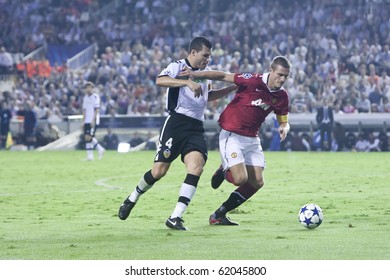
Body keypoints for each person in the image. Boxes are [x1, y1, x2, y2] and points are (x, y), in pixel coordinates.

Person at [118, 36, 237, 230]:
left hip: (196, 126)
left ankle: (176, 217)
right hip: (176, 123)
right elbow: (160, 80)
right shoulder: (177, 66)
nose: (208, 59)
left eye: (209, 56)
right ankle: (132, 198)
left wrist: (230, 89)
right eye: (205, 55)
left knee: (196, 167)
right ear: (193, 52)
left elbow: (208, 96)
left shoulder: (205, 73)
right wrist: (186, 82)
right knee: (159, 172)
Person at [179, 55, 291, 225]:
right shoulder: (252, 81)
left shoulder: (282, 96)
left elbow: (284, 120)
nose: (282, 79)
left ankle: (219, 214)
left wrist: (284, 127)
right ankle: (224, 169)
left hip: (252, 138)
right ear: (271, 71)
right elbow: (223, 76)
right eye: (280, 74)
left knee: (257, 182)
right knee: (240, 179)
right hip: (232, 134)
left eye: (286, 76)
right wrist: (198, 75)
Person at [82, 81, 105, 160]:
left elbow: (96, 110)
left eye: (90, 88)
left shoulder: (95, 97)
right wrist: (83, 121)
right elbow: (84, 111)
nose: (88, 89)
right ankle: (90, 155)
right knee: (86, 137)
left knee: (89, 137)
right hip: (86, 120)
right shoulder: (85, 98)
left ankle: (99, 149)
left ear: (92, 89)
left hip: (93, 119)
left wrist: (93, 120)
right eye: (87, 88)